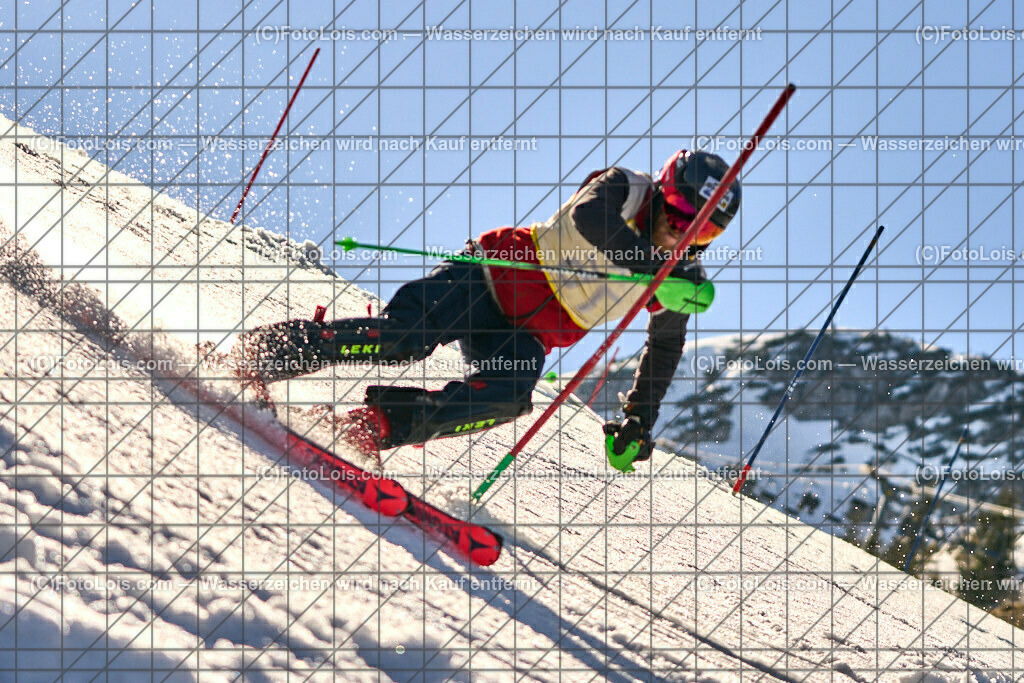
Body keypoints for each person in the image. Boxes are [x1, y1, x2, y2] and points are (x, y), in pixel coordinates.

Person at [241, 149, 740, 470]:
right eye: (678, 213)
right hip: (487, 279)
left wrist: (639, 420)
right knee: (404, 338)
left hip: (524, 335)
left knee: (509, 395)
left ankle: (374, 426)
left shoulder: (678, 276)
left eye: (704, 231)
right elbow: (590, 219)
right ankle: (265, 354)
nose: (683, 233)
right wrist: (657, 269)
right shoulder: (622, 189)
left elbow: (666, 344)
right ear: (660, 192)